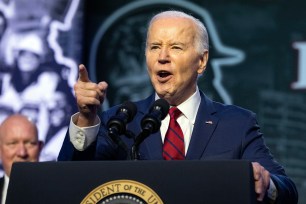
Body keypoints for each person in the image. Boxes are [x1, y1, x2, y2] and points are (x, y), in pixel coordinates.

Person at [58, 10, 298, 203]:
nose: (162, 56)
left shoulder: (236, 124)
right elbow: (70, 182)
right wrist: (87, 120)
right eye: (154, 47)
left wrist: (269, 185)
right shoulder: (119, 122)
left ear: (201, 61)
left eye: (175, 47)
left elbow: (287, 190)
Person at [0, 114, 43, 204]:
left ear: (40, 147)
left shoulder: (60, 193)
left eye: (29, 143)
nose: (22, 153)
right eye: (13, 143)